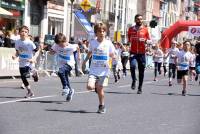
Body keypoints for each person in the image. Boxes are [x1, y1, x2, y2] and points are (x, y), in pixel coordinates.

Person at [82, 23, 115, 114]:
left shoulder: (108, 43)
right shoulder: (93, 42)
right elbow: (90, 53)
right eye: (99, 31)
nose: (102, 33)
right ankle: (95, 87)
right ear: (96, 33)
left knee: (100, 89)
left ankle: (102, 105)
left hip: (104, 71)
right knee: (89, 87)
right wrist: (84, 62)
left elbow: (112, 54)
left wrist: (116, 60)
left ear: (105, 32)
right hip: (94, 70)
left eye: (103, 31)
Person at [50, 33, 80, 102]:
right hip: (61, 63)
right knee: (65, 77)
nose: (60, 46)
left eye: (61, 44)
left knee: (60, 72)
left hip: (70, 63)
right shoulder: (56, 45)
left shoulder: (71, 46)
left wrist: (79, 55)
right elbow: (52, 52)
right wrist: (51, 52)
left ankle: (65, 87)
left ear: (65, 41)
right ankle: (70, 91)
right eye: (59, 44)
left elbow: (77, 47)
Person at [12, 25, 39, 98]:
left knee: (26, 74)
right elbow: (18, 51)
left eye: (25, 32)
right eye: (22, 31)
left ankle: (34, 72)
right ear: (19, 33)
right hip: (22, 62)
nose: (24, 33)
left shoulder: (30, 43)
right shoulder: (17, 42)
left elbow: (37, 51)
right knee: (23, 78)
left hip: (29, 62)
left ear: (27, 34)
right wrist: (15, 55)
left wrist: (33, 58)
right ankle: (29, 92)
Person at [128, 14, 150, 94]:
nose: (140, 20)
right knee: (132, 66)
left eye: (141, 19)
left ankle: (140, 87)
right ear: (135, 20)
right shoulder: (131, 29)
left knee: (141, 71)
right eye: (138, 19)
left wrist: (145, 40)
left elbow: (149, 40)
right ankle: (134, 80)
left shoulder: (145, 29)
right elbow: (128, 40)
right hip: (133, 52)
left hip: (142, 53)